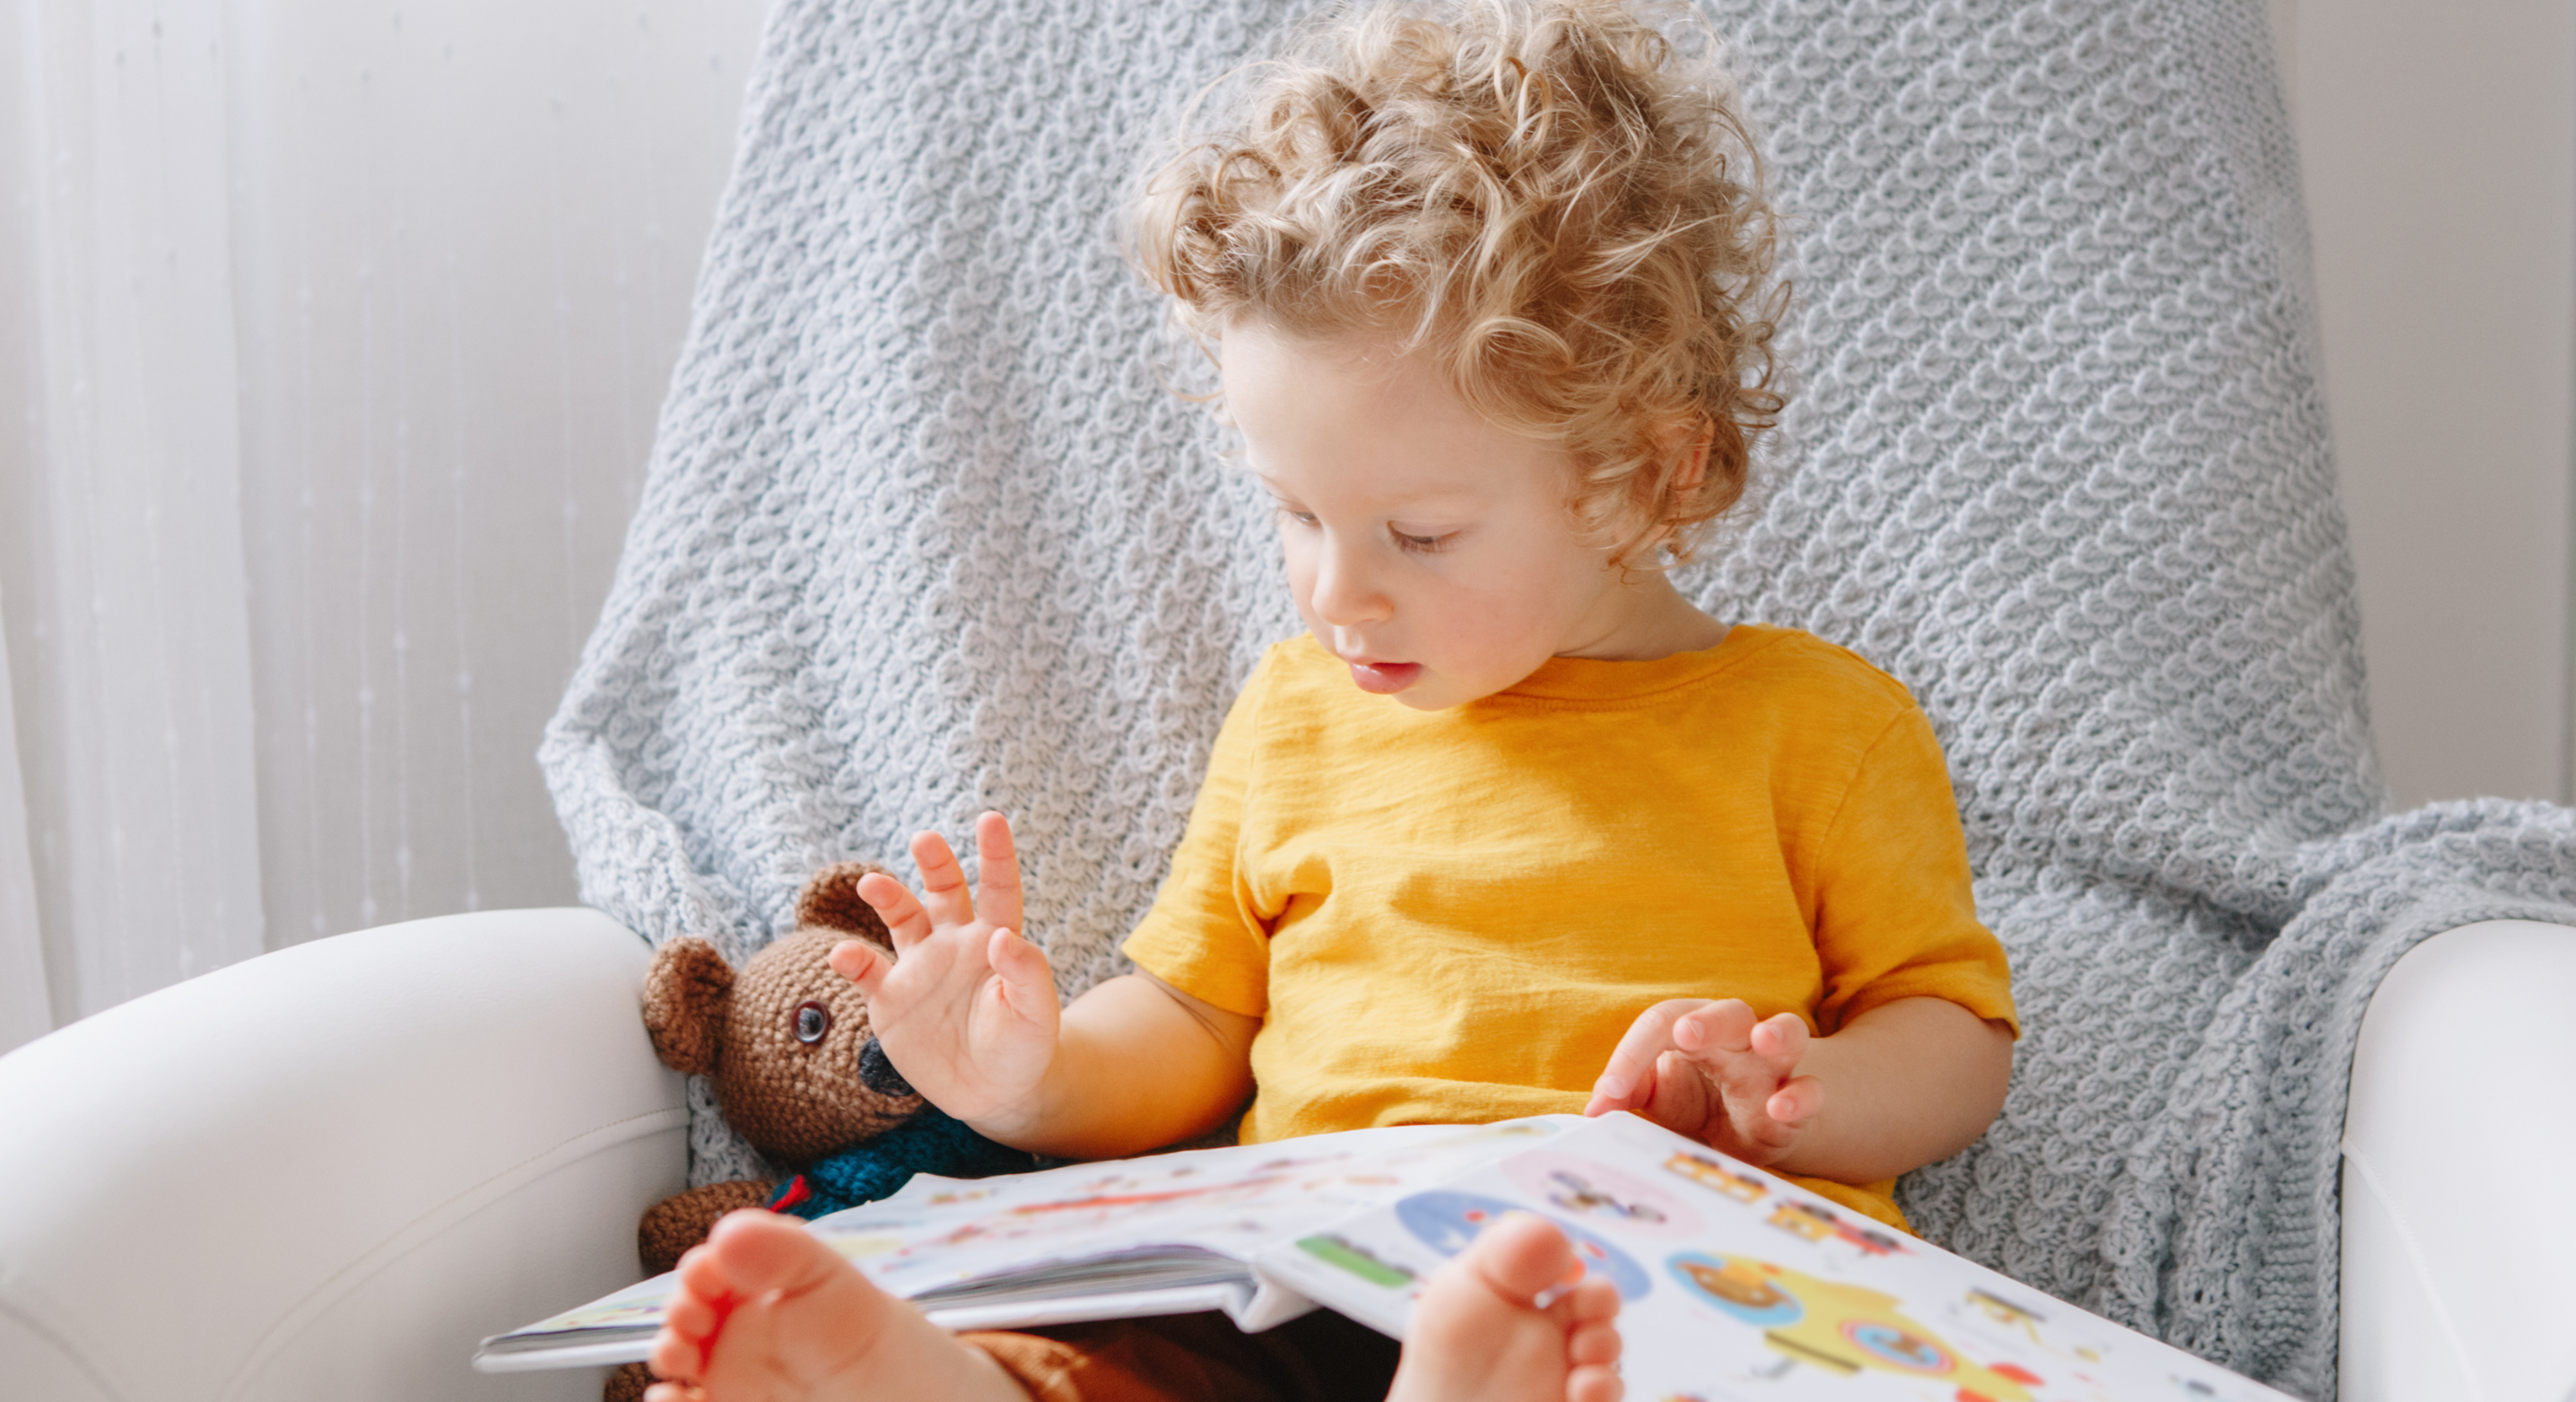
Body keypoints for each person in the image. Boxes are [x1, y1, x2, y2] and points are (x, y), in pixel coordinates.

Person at [644, 2, 2017, 1398]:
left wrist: (1797, 1102)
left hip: (1686, 1288)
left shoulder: (1818, 723)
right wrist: (1029, 1077)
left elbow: (1952, 1036)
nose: (1331, 594)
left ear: (1646, 475)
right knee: (1155, 1361)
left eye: (1417, 535)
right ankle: (946, 1382)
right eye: (1293, 513)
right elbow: (1189, 1023)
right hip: (1320, 1267)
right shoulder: (1300, 712)